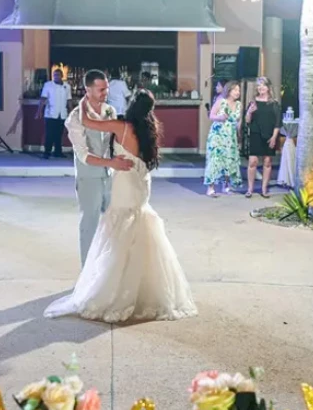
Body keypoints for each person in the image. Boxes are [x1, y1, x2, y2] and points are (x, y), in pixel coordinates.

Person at [45, 90, 197, 322]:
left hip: (124, 182)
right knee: (140, 224)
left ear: (131, 104)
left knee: (119, 231)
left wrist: (86, 99)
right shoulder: (150, 129)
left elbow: (87, 122)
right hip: (141, 182)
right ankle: (144, 290)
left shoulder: (121, 126)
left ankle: (116, 290)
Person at [65, 69, 134, 264]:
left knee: (112, 222)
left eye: (106, 89)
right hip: (89, 177)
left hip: (110, 175)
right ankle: (87, 269)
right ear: (87, 89)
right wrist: (111, 163)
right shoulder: (75, 118)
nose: (105, 93)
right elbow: (84, 155)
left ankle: (106, 266)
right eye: (101, 89)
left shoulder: (109, 110)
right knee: (90, 223)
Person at [204, 80, 242, 196]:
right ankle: (210, 188)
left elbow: (238, 122)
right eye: (235, 90)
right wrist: (219, 117)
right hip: (218, 135)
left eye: (239, 90)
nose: (237, 92)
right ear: (229, 90)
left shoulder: (239, 105)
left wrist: (239, 136)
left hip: (231, 136)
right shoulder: (221, 101)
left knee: (229, 160)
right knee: (215, 160)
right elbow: (211, 115)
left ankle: (226, 186)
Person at [245, 77, 281, 198]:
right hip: (255, 134)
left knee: (267, 162)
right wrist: (249, 112)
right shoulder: (253, 102)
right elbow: (247, 121)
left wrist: (274, 137)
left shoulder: (274, 103)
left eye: (263, 85)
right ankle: (250, 189)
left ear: (268, 88)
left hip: (269, 135)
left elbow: (277, 123)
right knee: (252, 162)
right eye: (259, 85)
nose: (261, 88)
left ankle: (264, 189)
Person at [36, 69, 72, 159]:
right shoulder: (48, 85)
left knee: (59, 134)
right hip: (50, 114)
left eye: (57, 75)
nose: (56, 77)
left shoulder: (67, 86)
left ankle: (58, 152)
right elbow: (43, 98)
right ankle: (47, 152)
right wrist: (39, 111)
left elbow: (69, 100)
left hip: (62, 114)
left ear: (62, 76)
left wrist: (71, 112)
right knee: (49, 134)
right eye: (54, 75)